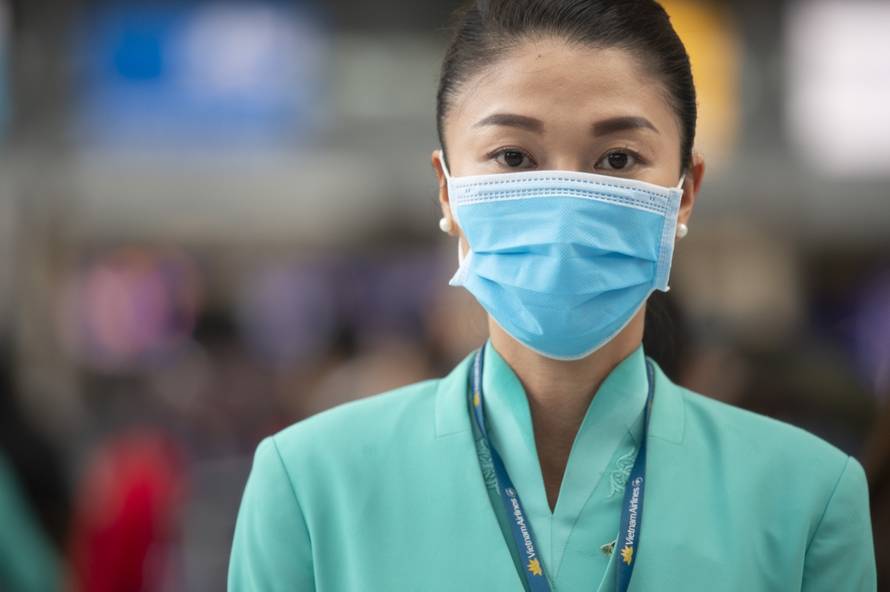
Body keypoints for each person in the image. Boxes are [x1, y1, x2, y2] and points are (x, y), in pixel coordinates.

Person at [228, 1, 877, 590]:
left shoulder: (807, 498)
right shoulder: (311, 484)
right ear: (447, 189)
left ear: (685, 191)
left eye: (618, 159)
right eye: (513, 157)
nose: (566, 200)